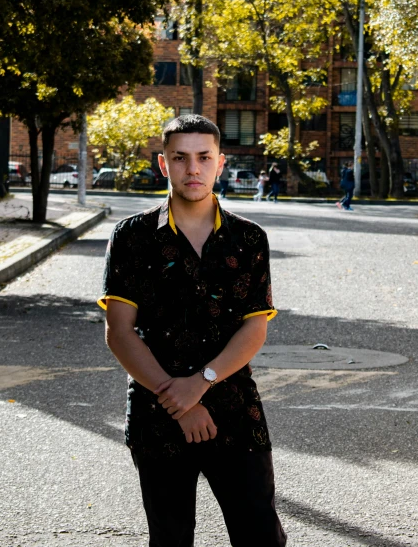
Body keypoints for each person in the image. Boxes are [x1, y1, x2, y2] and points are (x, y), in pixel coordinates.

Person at [98, 114, 287, 547]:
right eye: (180, 158)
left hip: (235, 409)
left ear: (220, 163)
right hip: (157, 412)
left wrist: (201, 384)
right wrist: (179, 401)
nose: (193, 168)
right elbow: (120, 332)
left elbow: (254, 329)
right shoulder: (131, 237)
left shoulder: (249, 239)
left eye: (204, 157)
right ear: (163, 164)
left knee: (260, 533)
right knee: (171, 537)